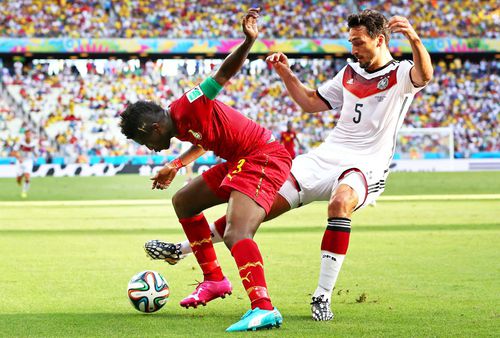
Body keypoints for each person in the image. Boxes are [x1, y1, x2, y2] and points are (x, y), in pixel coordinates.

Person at [144, 9, 433, 322]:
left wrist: (414, 39)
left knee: (339, 204)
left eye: (359, 43)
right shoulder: (349, 74)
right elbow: (310, 103)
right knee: (255, 210)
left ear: (379, 40)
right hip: (325, 158)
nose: (354, 49)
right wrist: (286, 74)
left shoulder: (401, 74)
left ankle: (322, 296)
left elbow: (425, 75)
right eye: (351, 42)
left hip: (367, 164)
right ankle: (183, 250)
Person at [120, 8, 290, 332]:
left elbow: (222, 76)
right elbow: (204, 142)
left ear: (154, 128)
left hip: (262, 156)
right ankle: (214, 280)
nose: (149, 149)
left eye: (145, 142)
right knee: (184, 201)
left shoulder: (189, 104)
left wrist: (248, 41)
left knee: (237, 232)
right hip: (239, 161)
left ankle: (263, 307)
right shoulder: (180, 126)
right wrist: (175, 164)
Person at [11, 129, 38, 198]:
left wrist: (35, 156)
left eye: (30, 134)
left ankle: (24, 191)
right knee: (18, 179)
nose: (29, 136)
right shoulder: (20, 142)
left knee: (27, 176)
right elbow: (13, 152)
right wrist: (19, 157)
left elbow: (36, 154)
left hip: (28, 161)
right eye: (27, 134)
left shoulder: (34, 143)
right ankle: (19, 179)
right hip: (20, 161)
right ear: (25, 135)